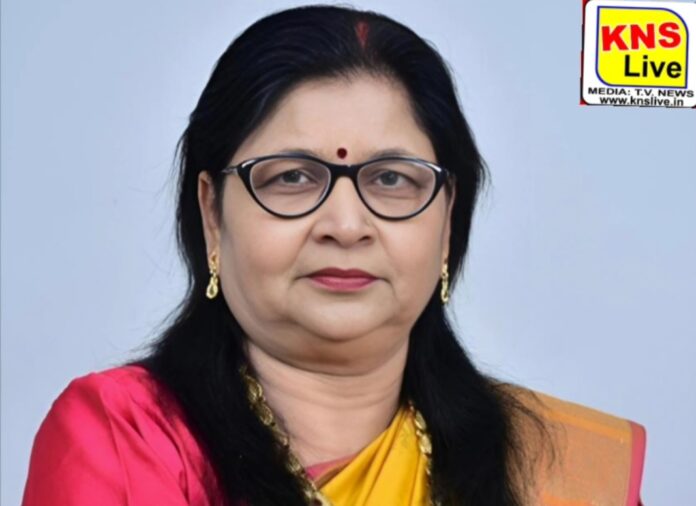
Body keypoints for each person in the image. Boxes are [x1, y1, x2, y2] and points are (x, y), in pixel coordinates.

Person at [21, 4, 646, 505]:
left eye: (392, 179)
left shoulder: (561, 470)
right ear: (212, 213)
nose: (347, 226)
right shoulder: (126, 439)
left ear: (448, 220)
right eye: (292, 177)